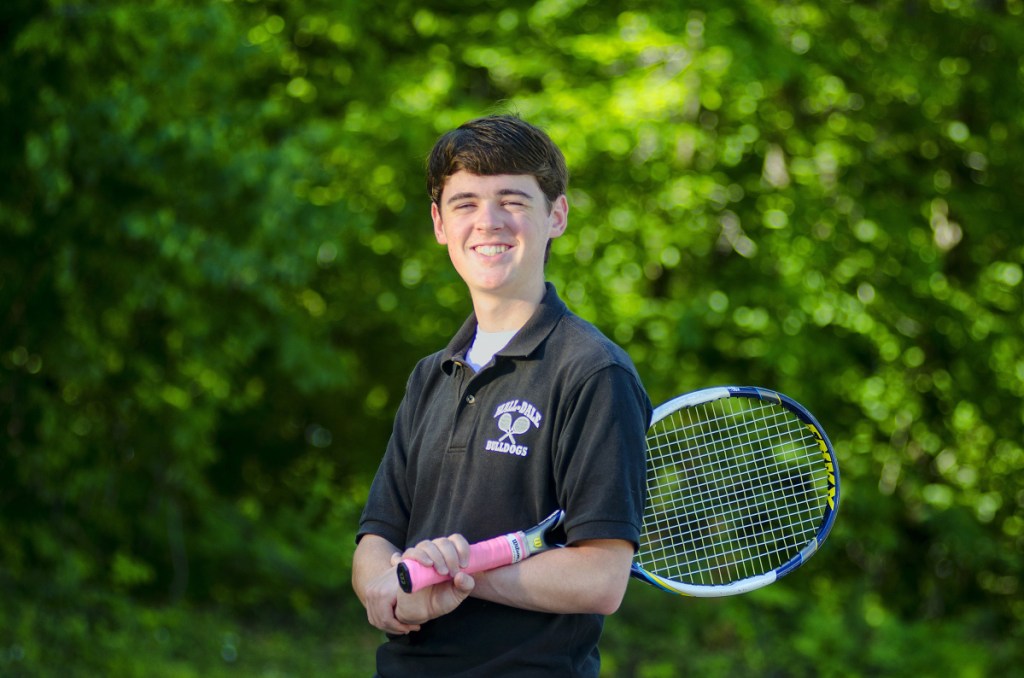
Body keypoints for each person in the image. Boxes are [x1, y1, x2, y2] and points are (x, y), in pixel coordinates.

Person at [352, 114, 651, 677]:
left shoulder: (593, 371)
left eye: (512, 200)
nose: (487, 222)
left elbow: (602, 577)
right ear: (439, 223)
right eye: (465, 203)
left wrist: (452, 577)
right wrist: (388, 591)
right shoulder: (431, 374)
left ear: (555, 215)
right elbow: (377, 536)